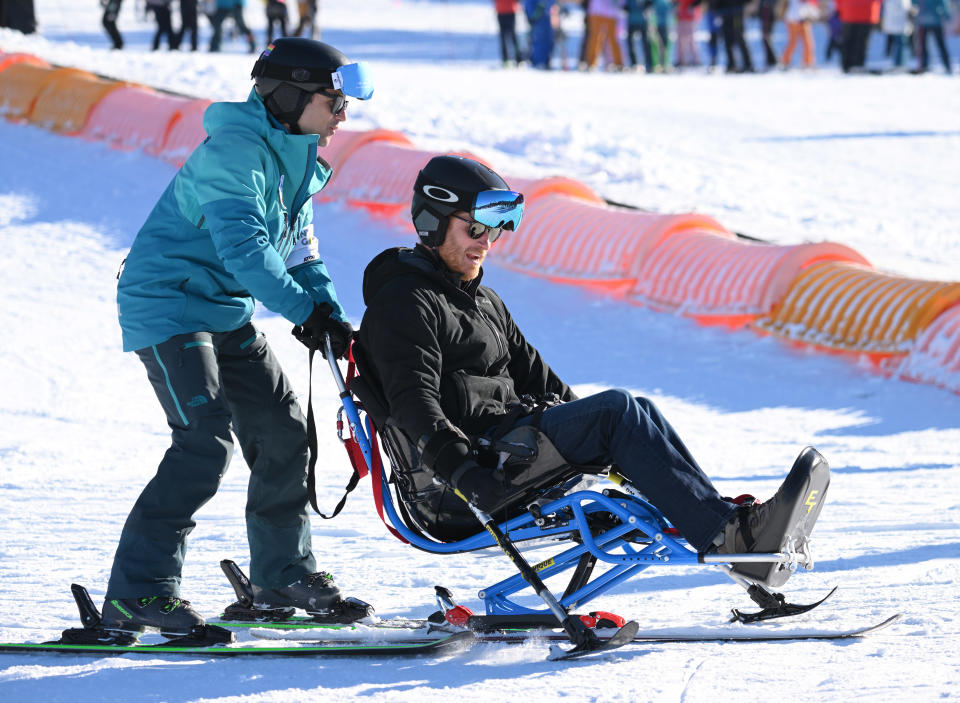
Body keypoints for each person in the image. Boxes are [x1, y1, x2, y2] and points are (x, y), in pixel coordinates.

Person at [358, 155, 814, 587]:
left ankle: (726, 527)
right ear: (434, 222)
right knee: (617, 411)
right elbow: (412, 403)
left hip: (507, 451)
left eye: (495, 229)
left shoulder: (483, 301)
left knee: (635, 411)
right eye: (474, 226)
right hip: (466, 483)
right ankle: (731, 537)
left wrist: (604, 442)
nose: (486, 241)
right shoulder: (405, 301)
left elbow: (542, 380)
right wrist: (463, 475)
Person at [102, 38, 374, 638]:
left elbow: (299, 249)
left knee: (283, 426)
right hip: (170, 304)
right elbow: (246, 248)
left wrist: (327, 312)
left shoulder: (296, 153)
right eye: (333, 101)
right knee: (205, 441)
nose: (343, 115)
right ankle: (138, 593)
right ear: (291, 95)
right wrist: (303, 311)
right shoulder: (236, 151)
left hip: (222, 309)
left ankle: (280, 572)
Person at [582, 0, 625, 70]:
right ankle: (591, 63)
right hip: (596, 11)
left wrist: (619, 5)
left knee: (613, 39)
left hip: (612, 12)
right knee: (595, 38)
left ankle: (618, 63)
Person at [913, 0, 953, 73]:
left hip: (924, 20)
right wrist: (947, 16)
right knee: (940, 44)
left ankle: (924, 65)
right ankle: (947, 65)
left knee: (924, 45)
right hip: (933, 20)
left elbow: (914, 3)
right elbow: (943, 4)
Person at [780, 0, 819, 68]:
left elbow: (812, 3)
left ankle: (808, 62)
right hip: (793, 20)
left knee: (808, 42)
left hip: (804, 19)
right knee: (793, 42)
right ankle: (785, 61)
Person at [624, 0, 654, 72]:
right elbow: (624, 5)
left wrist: (647, 6)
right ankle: (633, 64)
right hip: (631, 21)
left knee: (646, 43)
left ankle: (649, 64)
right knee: (630, 43)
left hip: (642, 21)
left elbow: (651, 3)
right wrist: (625, 8)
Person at [881, 0, 912, 68]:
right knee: (901, 44)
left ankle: (899, 62)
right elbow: (906, 9)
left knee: (899, 44)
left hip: (896, 25)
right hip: (899, 25)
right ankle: (899, 63)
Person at [495, 0, 525, 66]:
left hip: (507, 11)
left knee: (510, 36)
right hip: (504, 11)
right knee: (508, 36)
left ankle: (515, 58)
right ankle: (509, 59)